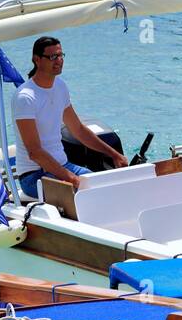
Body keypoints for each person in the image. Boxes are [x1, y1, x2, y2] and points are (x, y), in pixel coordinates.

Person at [13, 36, 127, 199]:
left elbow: (79, 130)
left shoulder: (60, 87)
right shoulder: (25, 97)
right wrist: (72, 179)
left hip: (63, 166)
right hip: (34, 176)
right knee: (86, 194)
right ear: (37, 60)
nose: (58, 61)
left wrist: (114, 154)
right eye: (52, 57)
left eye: (60, 56)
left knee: (103, 186)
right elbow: (35, 152)